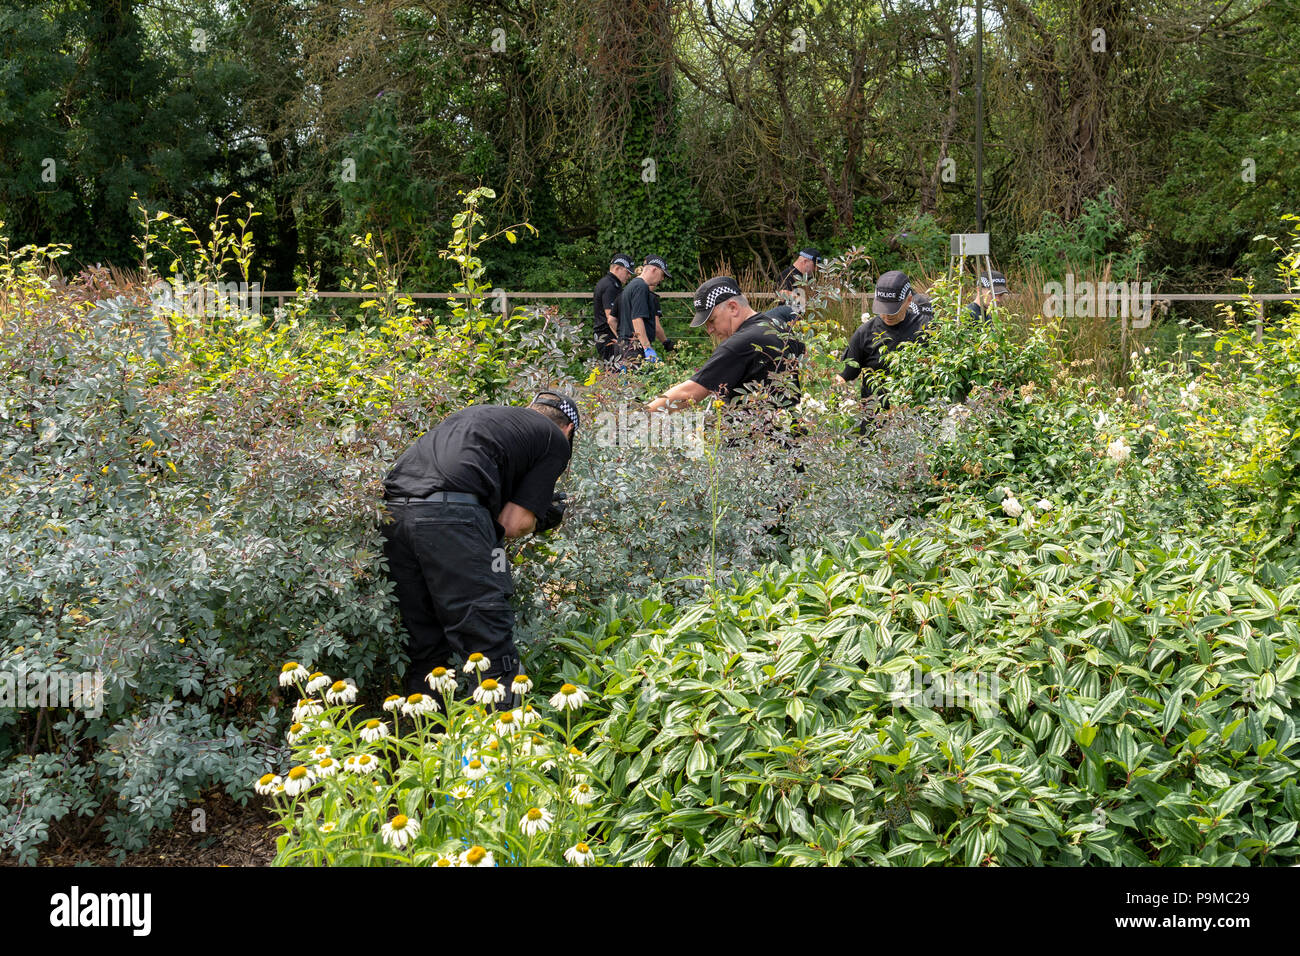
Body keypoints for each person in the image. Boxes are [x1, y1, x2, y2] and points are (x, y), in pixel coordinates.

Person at [380, 391, 580, 709]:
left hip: (393, 516)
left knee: (428, 650)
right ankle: (500, 751)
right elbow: (514, 524)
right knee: (490, 645)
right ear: (568, 429)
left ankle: (428, 749)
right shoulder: (554, 439)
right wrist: (540, 519)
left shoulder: (485, 417)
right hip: (451, 520)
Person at [648, 276, 805, 413]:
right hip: (788, 435)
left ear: (733, 307)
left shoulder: (741, 343)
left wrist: (639, 416)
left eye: (711, 320)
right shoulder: (779, 326)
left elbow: (688, 394)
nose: (709, 330)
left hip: (755, 442)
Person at [836, 270, 931, 431]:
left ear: (908, 300)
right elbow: (844, 376)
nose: (886, 314)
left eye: (892, 309)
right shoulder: (864, 333)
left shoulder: (926, 329)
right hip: (875, 423)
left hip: (914, 423)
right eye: (882, 308)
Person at [618, 255, 672, 366]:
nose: (662, 279)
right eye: (662, 275)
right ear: (654, 269)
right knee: (638, 383)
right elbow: (637, 318)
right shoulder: (641, 287)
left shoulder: (632, 285)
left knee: (629, 383)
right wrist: (647, 347)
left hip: (626, 345)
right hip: (635, 347)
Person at [593, 253, 634, 362]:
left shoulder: (609, 282)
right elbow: (611, 318)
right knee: (615, 373)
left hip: (607, 336)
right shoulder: (610, 286)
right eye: (627, 272)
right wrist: (623, 341)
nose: (629, 276)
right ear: (617, 268)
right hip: (609, 338)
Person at [776, 247, 820, 314]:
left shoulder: (808, 278)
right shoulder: (787, 275)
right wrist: (805, 299)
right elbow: (783, 294)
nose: (816, 269)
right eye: (815, 265)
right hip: (788, 319)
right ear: (805, 261)